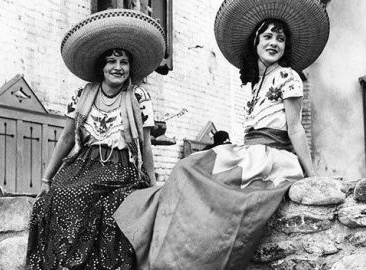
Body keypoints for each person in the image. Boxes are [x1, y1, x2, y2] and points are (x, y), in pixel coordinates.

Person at [113, 0, 329, 269]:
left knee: (215, 188)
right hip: (249, 151)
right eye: (268, 36)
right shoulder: (255, 85)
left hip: (272, 157)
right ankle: (167, 252)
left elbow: (295, 128)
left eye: (280, 39)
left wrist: (312, 176)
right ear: (256, 42)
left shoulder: (289, 76)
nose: (274, 43)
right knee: (186, 168)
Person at [26, 9, 166, 270]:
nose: (118, 67)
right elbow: (67, 137)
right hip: (83, 165)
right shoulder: (82, 95)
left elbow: (145, 145)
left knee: (114, 207)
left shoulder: (139, 98)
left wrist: (153, 185)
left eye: (123, 62)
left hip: (121, 168)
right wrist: (46, 179)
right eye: (111, 61)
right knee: (55, 197)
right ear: (101, 67)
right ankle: (63, 264)